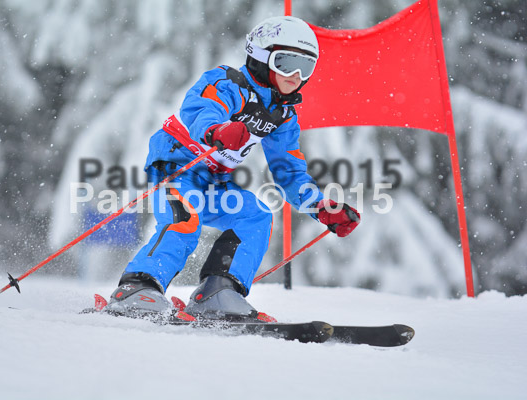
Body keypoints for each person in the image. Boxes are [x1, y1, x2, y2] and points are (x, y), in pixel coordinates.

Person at [106, 16, 360, 321]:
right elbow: (200, 108)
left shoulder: (283, 116)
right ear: (262, 57)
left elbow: (288, 170)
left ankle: (217, 290)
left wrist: (320, 206)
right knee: (184, 221)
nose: (295, 75)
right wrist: (217, 130)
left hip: (214, 180)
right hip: (177, 165)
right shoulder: (228, 83)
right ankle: (137, 287)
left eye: (305, 67)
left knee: (255, 216)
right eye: (286, 62)